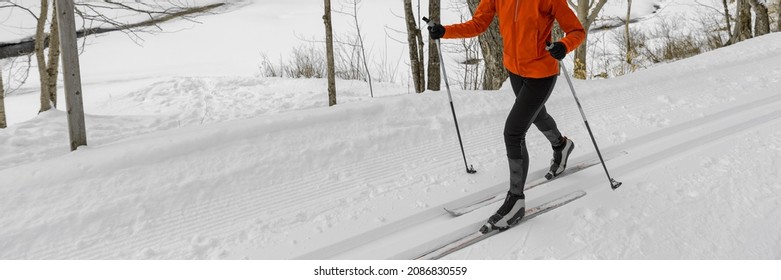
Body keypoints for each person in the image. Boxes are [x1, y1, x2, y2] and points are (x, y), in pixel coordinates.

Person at [427, 0, 585, 232]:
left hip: (541, 73)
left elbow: (576, 31)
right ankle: (561, 145)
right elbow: (478, 24)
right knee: (537, 115)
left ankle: (516, 201)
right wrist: (445, 31)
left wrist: (564, 45)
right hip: (514, 70)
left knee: (513, 132)